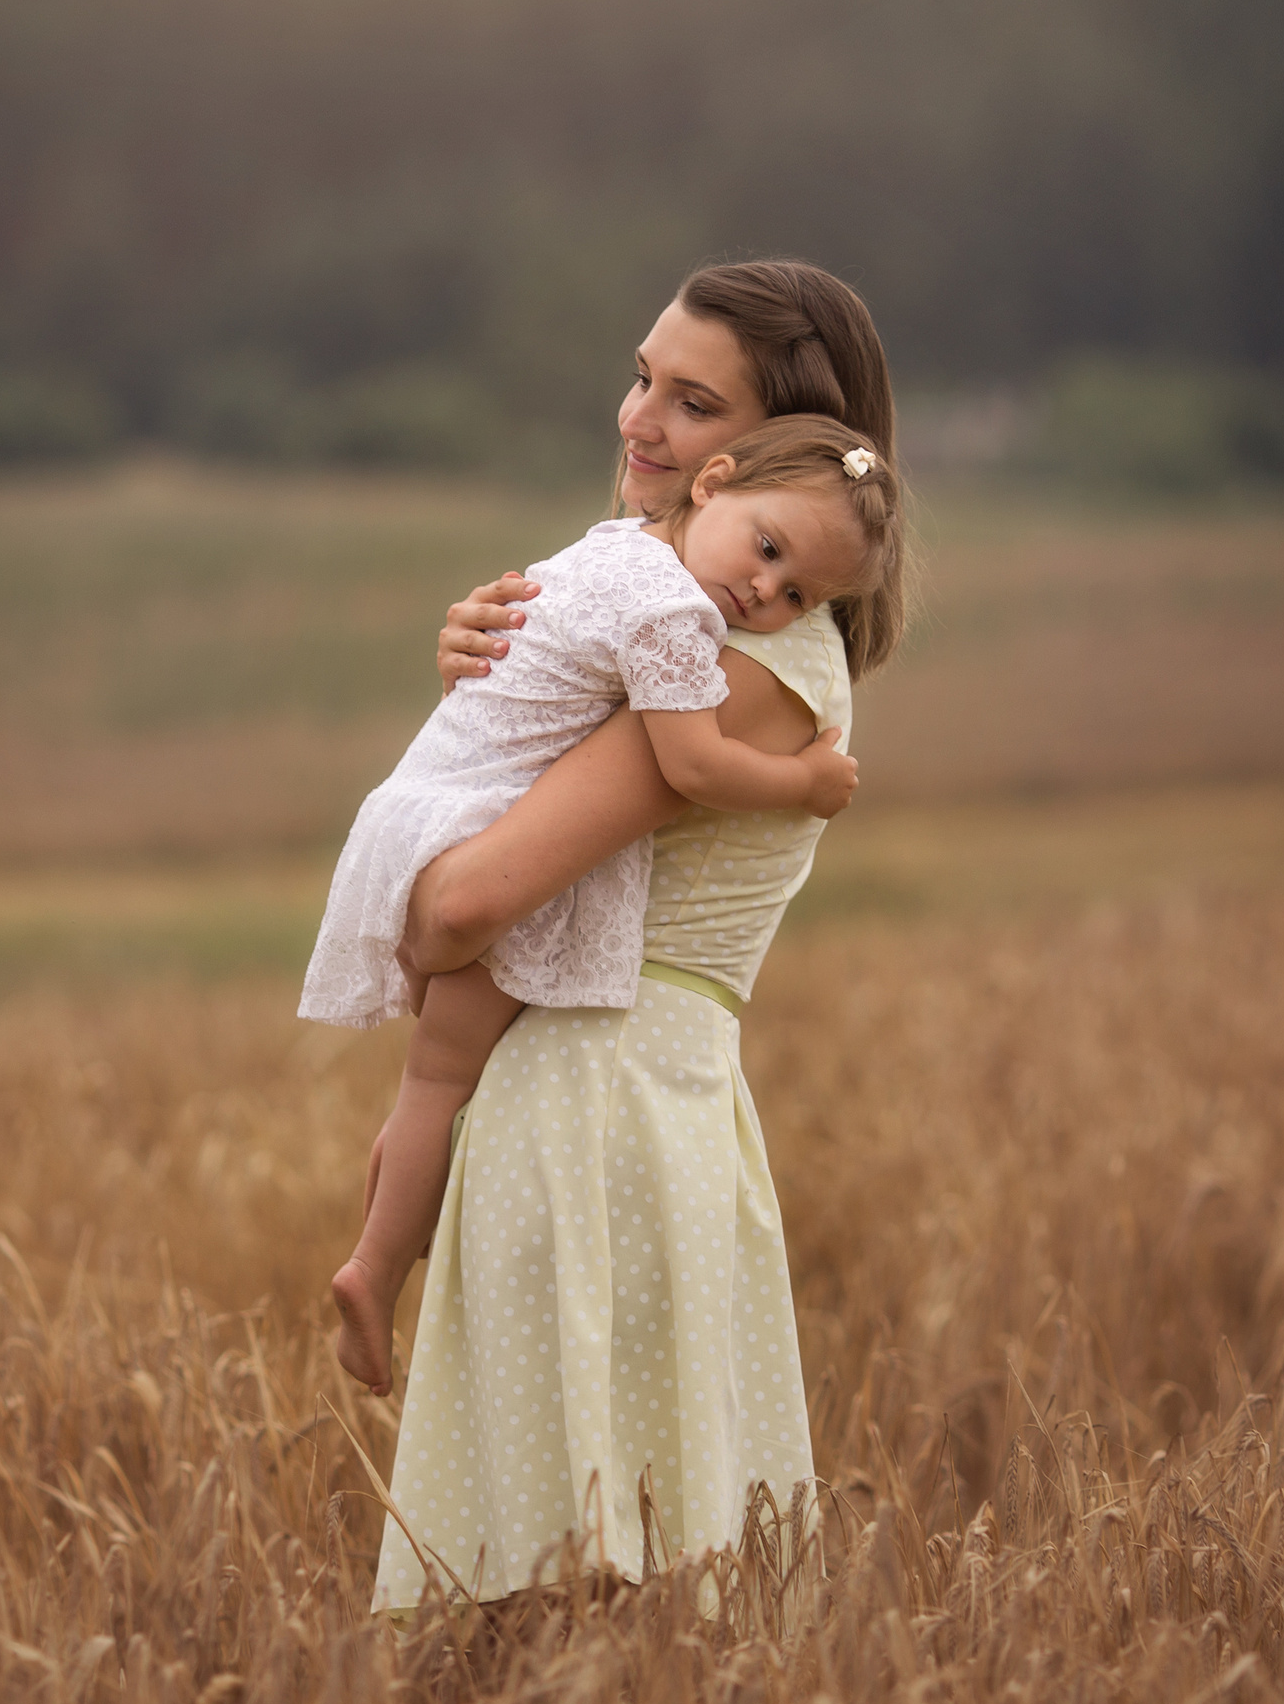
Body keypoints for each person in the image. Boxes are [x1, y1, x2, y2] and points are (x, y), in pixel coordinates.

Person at [366, 257, 912, 1610]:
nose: (637, 418)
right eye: (642, 377)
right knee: (643, 1590)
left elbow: (471, 904)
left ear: (775, 447)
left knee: (556, 1591)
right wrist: (484, 674)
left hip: (589, 1102)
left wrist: (418, 897)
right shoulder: (714, 630)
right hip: (652, 1102)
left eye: (690, 400)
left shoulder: (736, 661)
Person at [302, 417, 902, 1399]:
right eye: (766, 551)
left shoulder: (617, 546)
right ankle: (372, 1269)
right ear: (712, 484)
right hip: (476, 825)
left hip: (431, 804)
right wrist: (803, 783)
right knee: (442, 1079)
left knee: (437, 1084)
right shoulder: (671, 615)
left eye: (799, 594)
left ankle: (382, 1257)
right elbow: (692, 761)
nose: (765, 593)